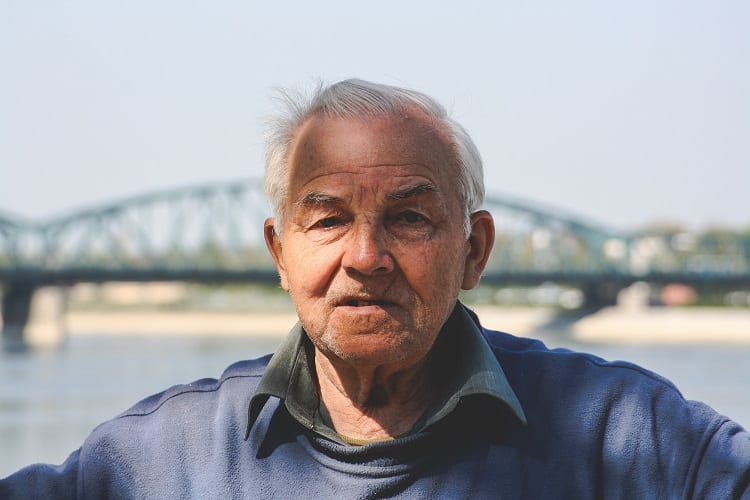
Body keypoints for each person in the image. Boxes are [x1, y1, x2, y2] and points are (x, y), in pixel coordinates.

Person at [2, 79, 749, 499]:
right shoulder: (161, 459)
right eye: (326, 219)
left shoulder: (622, 436)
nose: (366, 256)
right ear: (280, 253)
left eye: (409, 218)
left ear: (473, 251)